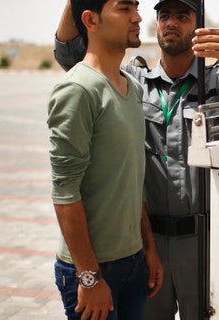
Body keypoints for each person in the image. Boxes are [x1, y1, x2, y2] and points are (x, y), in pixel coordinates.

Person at [53, 0, 219, 319]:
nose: (171, 23)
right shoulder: (135, 82)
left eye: (182, 16)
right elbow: (68, 52)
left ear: (198, 25)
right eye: (164, 16)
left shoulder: (218, 81)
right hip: (146, 243)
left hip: (199, 242)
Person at [47, 0, 163, 319]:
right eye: (125, 9)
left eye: (137, 8)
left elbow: (132, 179)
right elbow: (64, 192)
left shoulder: (134, 89)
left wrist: (148, 248)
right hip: (92, 271)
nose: (138, 17)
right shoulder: (78, 89)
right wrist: (89, 276)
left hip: (134, 262)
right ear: (91, 20)